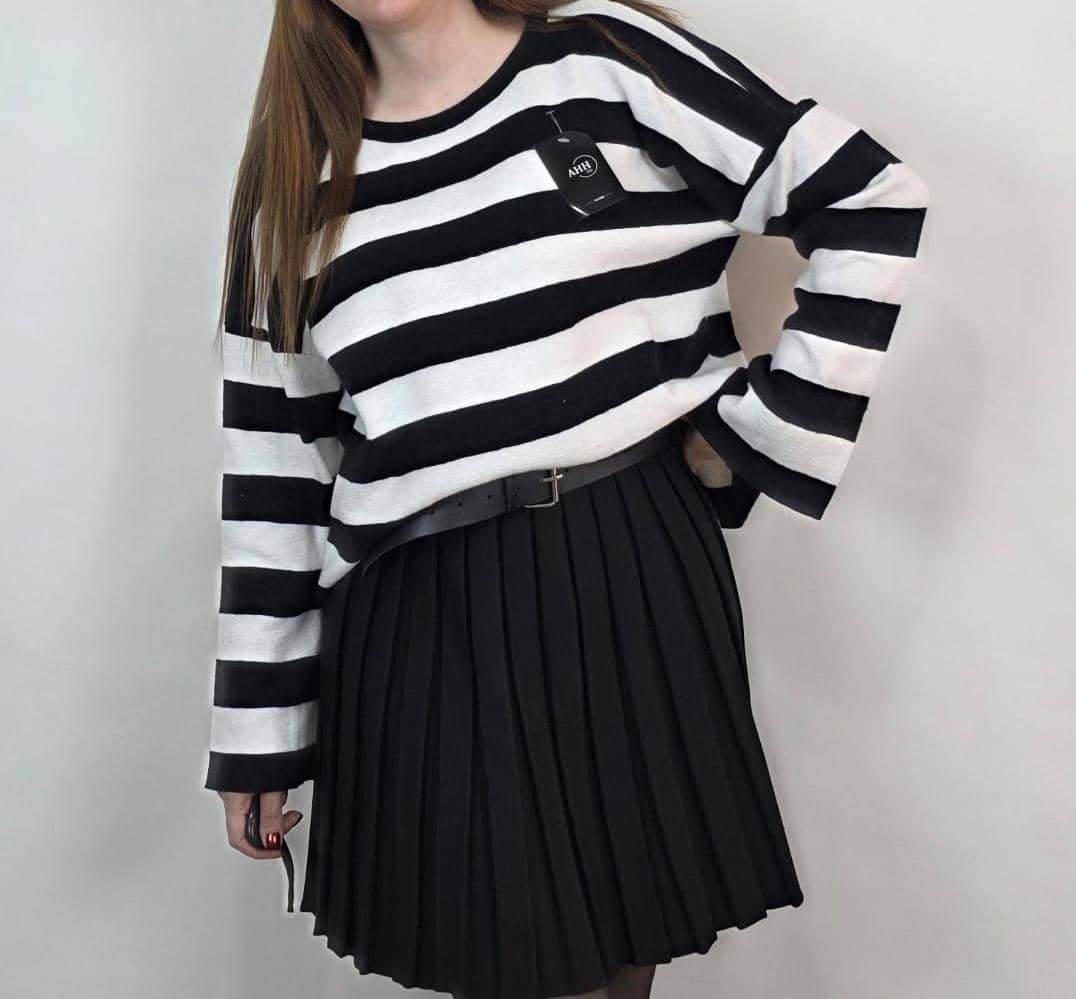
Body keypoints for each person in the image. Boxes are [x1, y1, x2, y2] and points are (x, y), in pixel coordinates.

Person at [202, 1, 930, 997]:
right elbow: (275, 476)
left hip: (624, 564)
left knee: (620, 958)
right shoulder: (295, 182)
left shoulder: (599, 60)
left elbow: (870, 199)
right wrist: (259, 737)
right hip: (419, 616)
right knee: (520, 962)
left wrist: (751, 437)